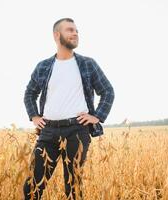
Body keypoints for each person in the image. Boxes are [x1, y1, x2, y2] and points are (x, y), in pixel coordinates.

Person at [23, 18, 114, 200]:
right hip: (48, 132)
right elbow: (29, 93)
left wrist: (96, 116)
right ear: (57, 35)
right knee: (32, 185)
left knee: (73, 187)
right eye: (70, 30)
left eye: (76, 31)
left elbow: (107, 91)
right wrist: (34, 115)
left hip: (77, 131)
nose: (75, 33)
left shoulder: (88, 63)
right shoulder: (43, 66)